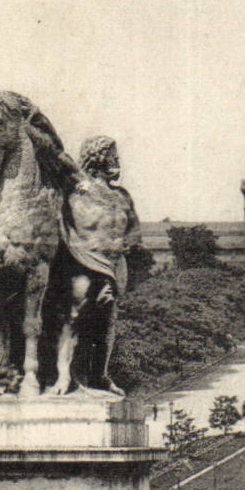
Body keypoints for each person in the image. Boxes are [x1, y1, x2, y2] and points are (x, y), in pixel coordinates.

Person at [51, 136, 141, 396]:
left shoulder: (121, 196)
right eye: (113, 156)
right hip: (84, 261)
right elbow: (55, 153)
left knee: (107, 322)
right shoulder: (77, 185)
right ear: (99, 157)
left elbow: (133, 231)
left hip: (114, 266)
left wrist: (124, 247)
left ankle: (99, 375)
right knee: (75, 317)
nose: (117, 161)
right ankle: (64, 375)